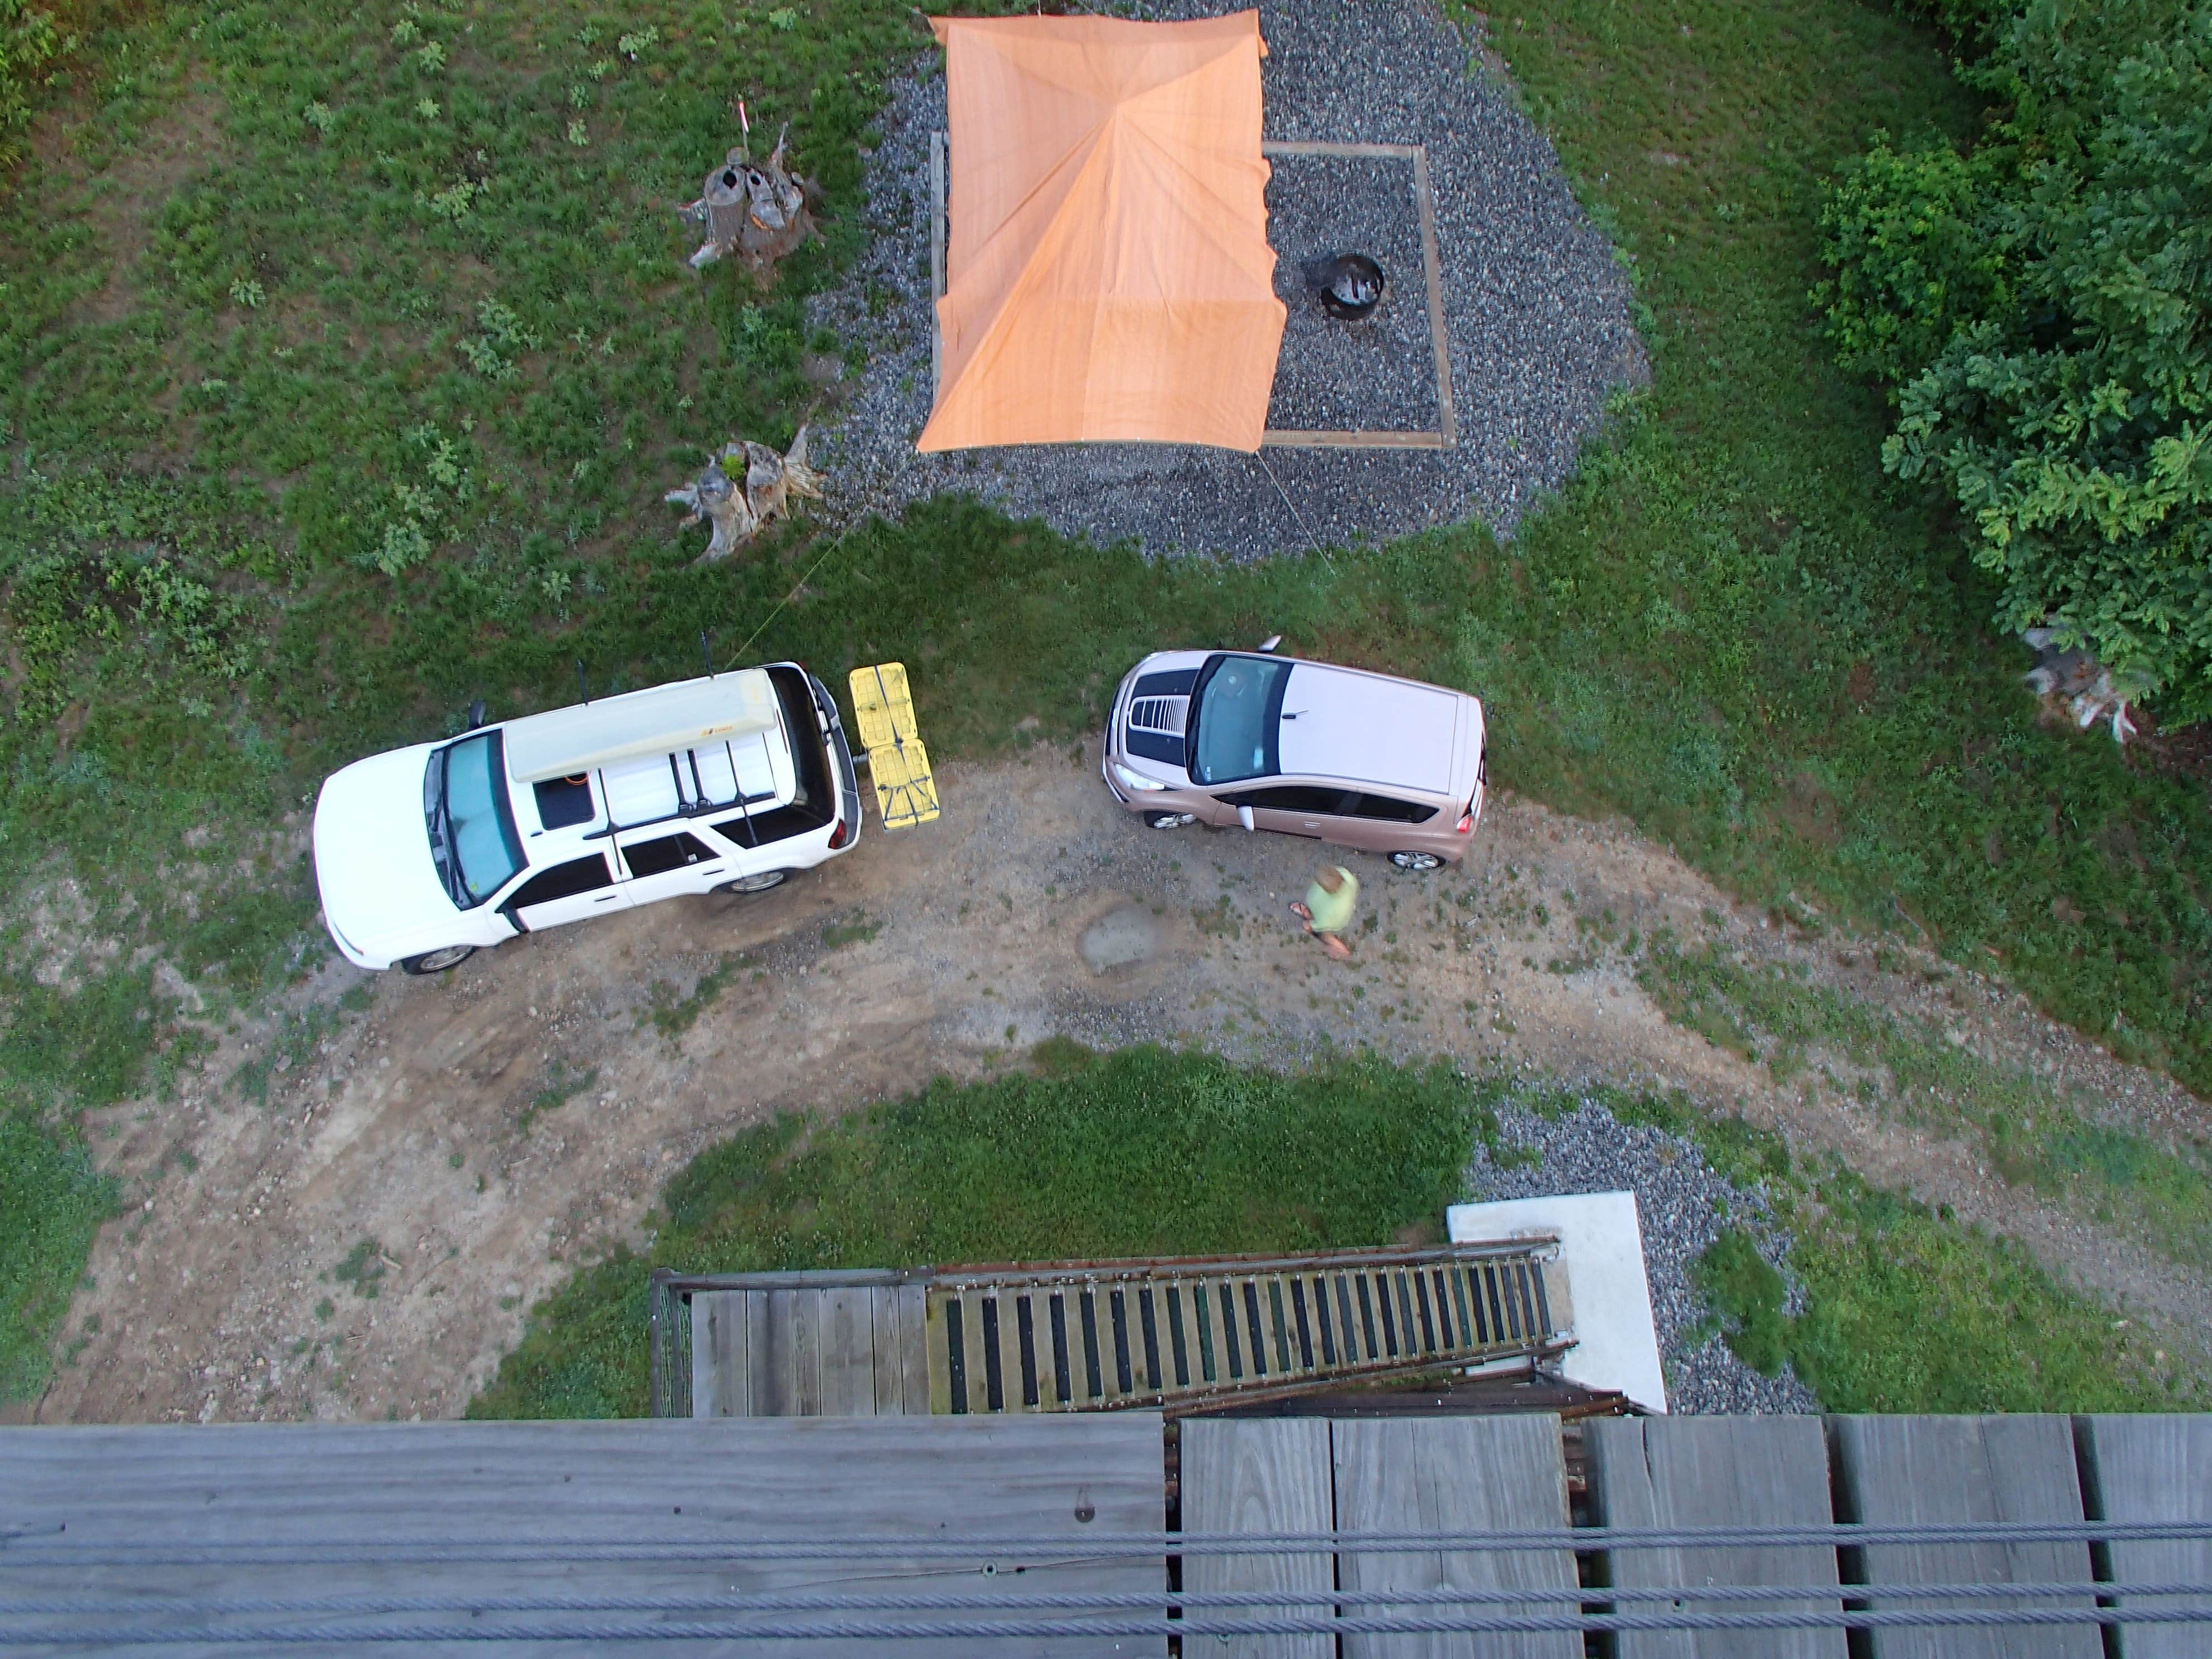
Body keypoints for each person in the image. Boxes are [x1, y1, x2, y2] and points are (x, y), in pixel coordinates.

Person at [1291, 865, 1359, 960]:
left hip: (1333, 921)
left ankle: (1342, 950)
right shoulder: (1347, 876)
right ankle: (1308, 914)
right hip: (1343, 909)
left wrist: (1310, 924)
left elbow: (1321, 924)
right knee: (1318, 918)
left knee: (1323, 934)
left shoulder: (1327, 911)